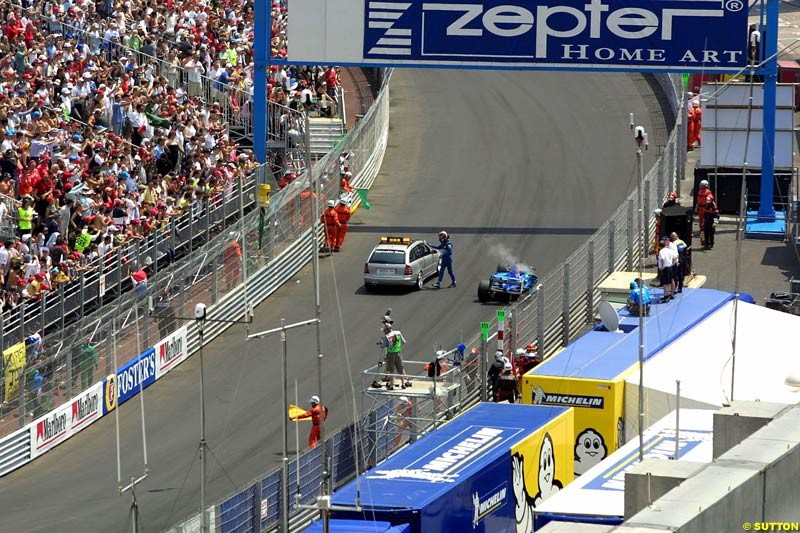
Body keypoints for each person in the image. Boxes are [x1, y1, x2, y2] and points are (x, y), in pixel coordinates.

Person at [379, 324, 410, 390]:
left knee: (391, 370)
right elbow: (404, 342)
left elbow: (383, 346)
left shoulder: (386, 337)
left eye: (384, 330)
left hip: (390, 354)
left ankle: (391, 385)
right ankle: (403, 384)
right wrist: (397, 346)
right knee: (400, 369)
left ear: (388, 329)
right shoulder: (398, 333)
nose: (384, 331)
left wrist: (381, 343)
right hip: (398, 353)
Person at [657, 237, 677, 303]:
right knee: (669, 282)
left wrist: (662, 267)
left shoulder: (661, 251)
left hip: (665, 268)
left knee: (665, 283)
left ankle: (666, 296)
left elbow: (662, 259)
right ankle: (669, 294)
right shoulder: (669, 250)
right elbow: (675, 257)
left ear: (660, 246)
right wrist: (673, 264)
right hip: (670, 268)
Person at [695, 180, 712, 247]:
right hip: (701, 210)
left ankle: (707, 241)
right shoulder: (700, 191)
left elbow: (710, 200)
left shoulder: (708, 192)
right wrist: (697, 207)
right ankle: (703, 241)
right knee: (701, 226)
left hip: (705, 210)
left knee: (706, 227)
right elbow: (698, 200)